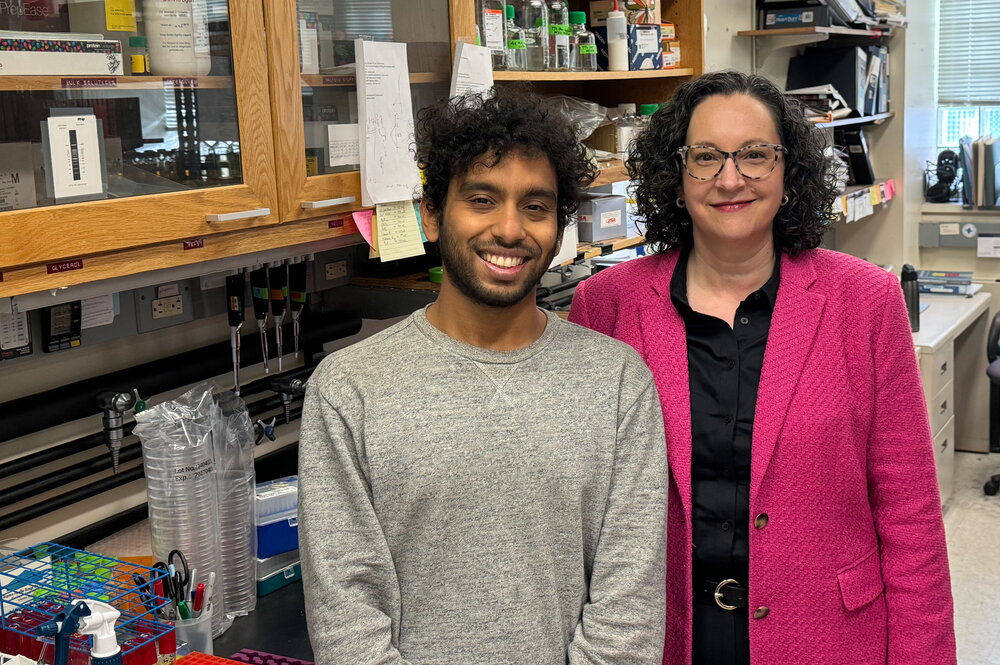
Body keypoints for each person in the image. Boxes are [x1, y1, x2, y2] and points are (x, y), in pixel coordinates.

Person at [569, 71, 956, 665]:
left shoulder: (865, 301)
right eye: (705, 157)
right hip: (664, 640)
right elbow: (581, 510)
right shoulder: (606, 307)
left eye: (755, 155)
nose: (730, 179)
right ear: (676, 177)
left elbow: (910, 515)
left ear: (788, 172)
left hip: (828, 636)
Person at [298, 86, 667, 665]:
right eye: (482, 199)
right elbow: (347, 612)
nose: (511, 230)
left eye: (536, 207)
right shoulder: (351, 388)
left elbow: (629, 611)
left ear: (559, 225)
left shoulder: (617, 382)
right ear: (432, 214)